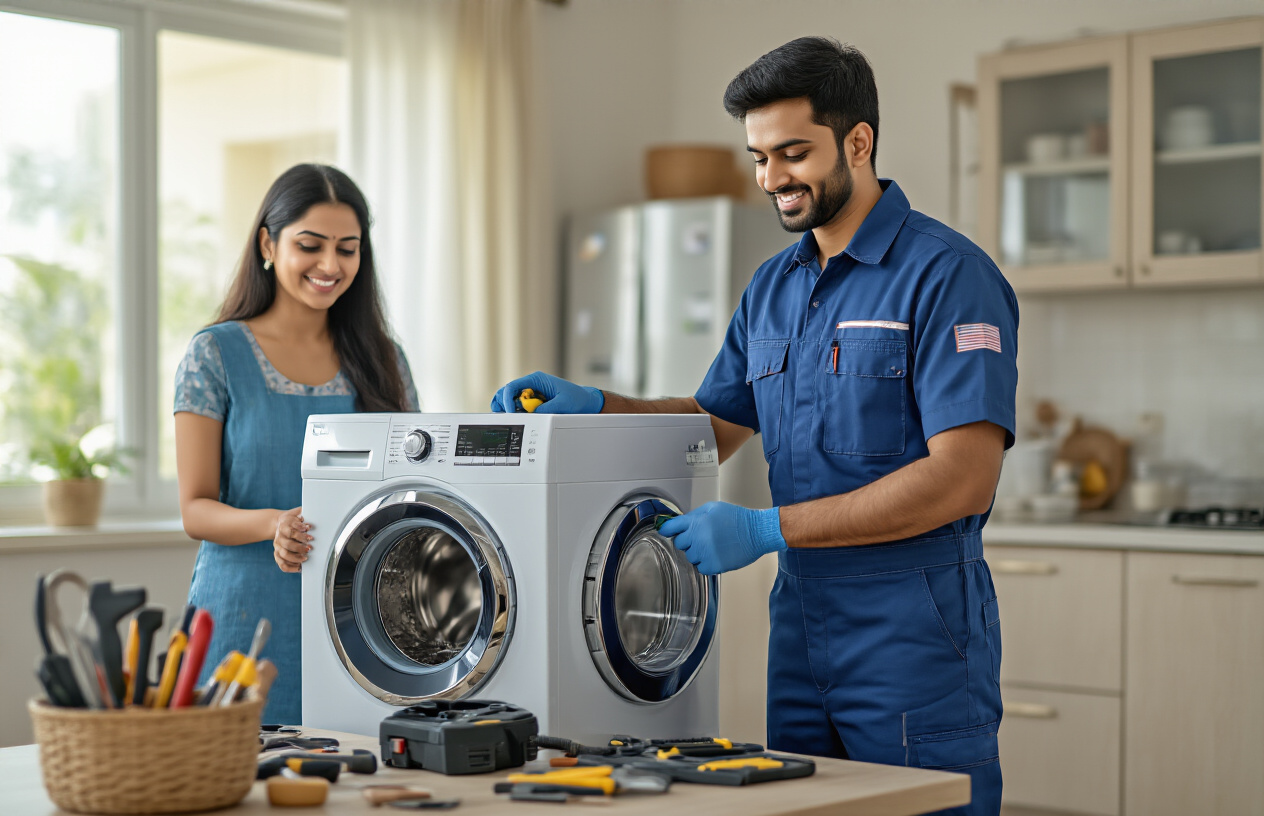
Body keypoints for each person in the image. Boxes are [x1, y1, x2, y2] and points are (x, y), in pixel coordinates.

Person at [492, 38, 1015, 816]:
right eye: (760, 157)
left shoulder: (948, 276)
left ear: (859, 142)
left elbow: (961, 478)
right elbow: (715, 423)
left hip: (915, 635)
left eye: (793, 153)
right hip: (802, 633)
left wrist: (768, 529)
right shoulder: (774, 286)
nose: (772, 179)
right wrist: (599, 406)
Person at [174, 163, 419, 724]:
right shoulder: (215, 355)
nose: (330, 265)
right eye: (310, 245)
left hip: (365, 625)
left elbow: (410, 490)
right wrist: (274, 525)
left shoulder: (384, 360)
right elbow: (195, 509)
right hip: (242, 619)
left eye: (348, 248)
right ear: (268, 242)